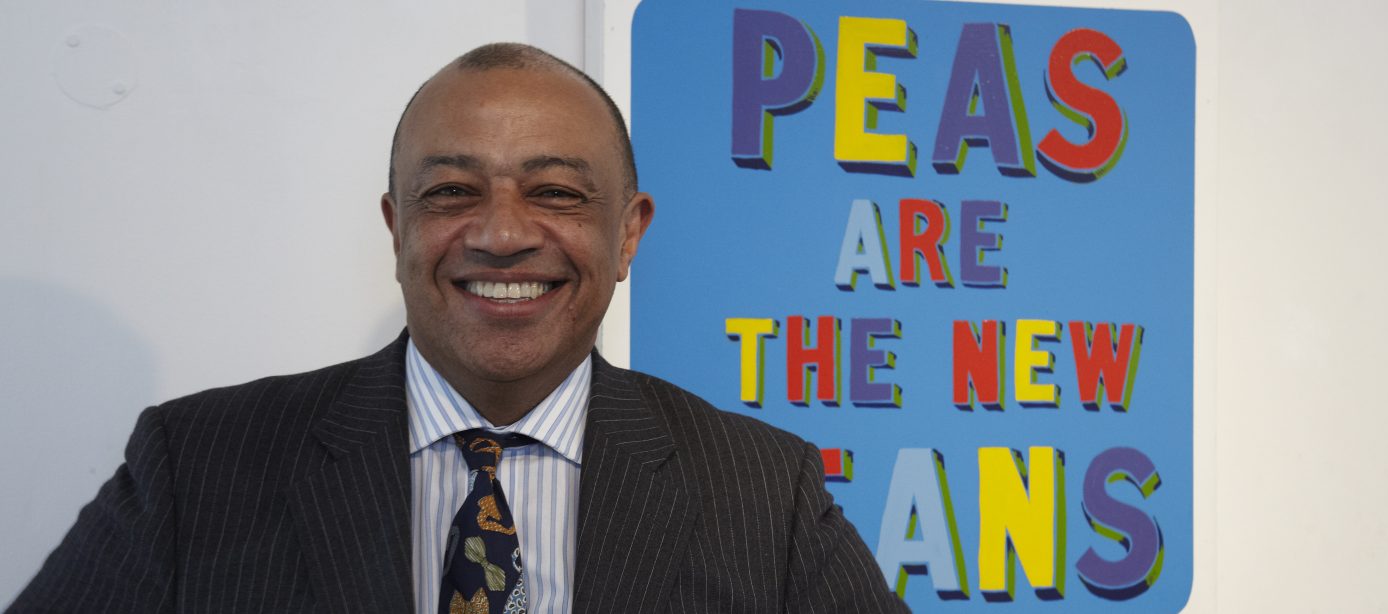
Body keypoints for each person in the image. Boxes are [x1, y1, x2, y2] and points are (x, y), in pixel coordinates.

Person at [8, 43, 907, 613]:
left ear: (627, 231)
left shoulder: (765, 487)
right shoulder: (194, 465)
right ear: (397, 227)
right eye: (450, 193)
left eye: (555, 192)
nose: (503, 234)